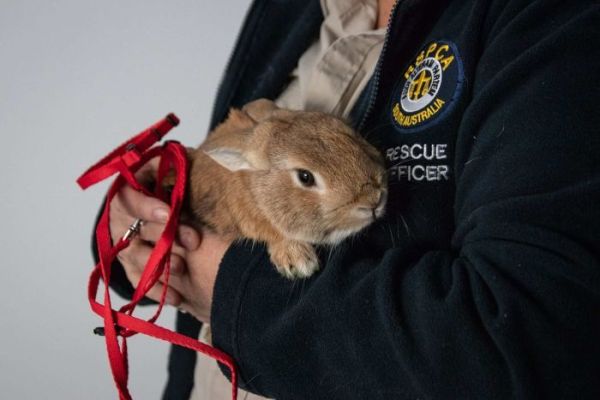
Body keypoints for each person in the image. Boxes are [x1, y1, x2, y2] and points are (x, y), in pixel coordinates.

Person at [96, 0, 600, 399]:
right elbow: (226, 165)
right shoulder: (289, 8)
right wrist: (137, 224)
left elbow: (521, 339)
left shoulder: (550, 19)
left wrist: (231, 289)